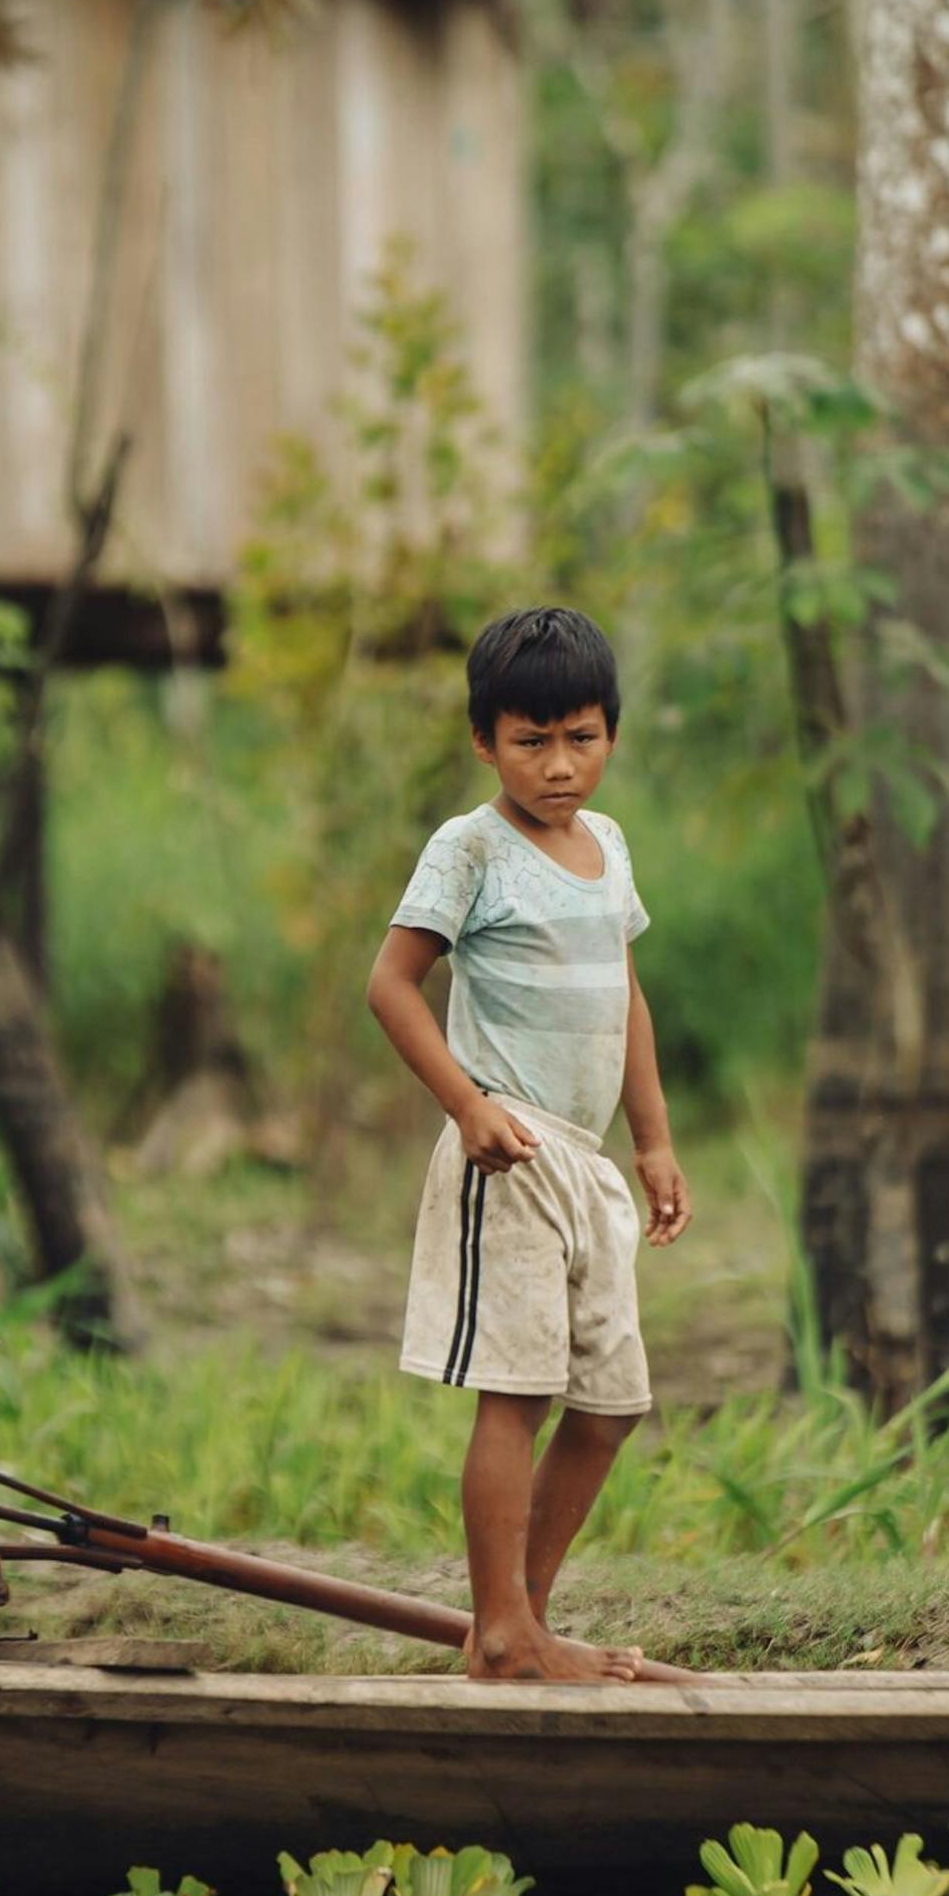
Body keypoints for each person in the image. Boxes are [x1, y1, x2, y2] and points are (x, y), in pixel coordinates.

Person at [362, 606, 691, 1683]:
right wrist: (466, 1103)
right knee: (521, 1391)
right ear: (483, 740)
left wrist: (651, 1141)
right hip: (507, 1150)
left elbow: (624, 992)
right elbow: (392, 983)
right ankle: (502, 1622)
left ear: (612, 732)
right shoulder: (469, 848)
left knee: (611, 1403)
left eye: (582, 737)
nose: (559, 766)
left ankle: (521, 1622)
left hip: (588, 1162)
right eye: (530, 741)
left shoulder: (609, 847)